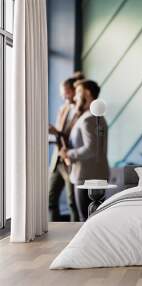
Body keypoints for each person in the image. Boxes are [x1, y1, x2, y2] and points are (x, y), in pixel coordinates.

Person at [59, 79, 109, 221]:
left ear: (86, 93)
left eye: (78, 93)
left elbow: (91, 149)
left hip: (87, 176)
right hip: (90, 174)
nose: (75, 97)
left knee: (86, 220)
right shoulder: (91, 116)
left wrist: (68, 153)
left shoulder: (89, 118)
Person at [48, 72, 84, 222]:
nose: (65, 97)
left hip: (71, 161)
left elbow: (76, 137)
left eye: (67, 93)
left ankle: (74, 233)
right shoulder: (63, 109)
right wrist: (53, 134)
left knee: (72, 202)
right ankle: (52, 230)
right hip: (58, 160)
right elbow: (59, 134)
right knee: (50, 198)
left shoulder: (81, 111)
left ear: (74, 91)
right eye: (63, 94)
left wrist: (57, 132)